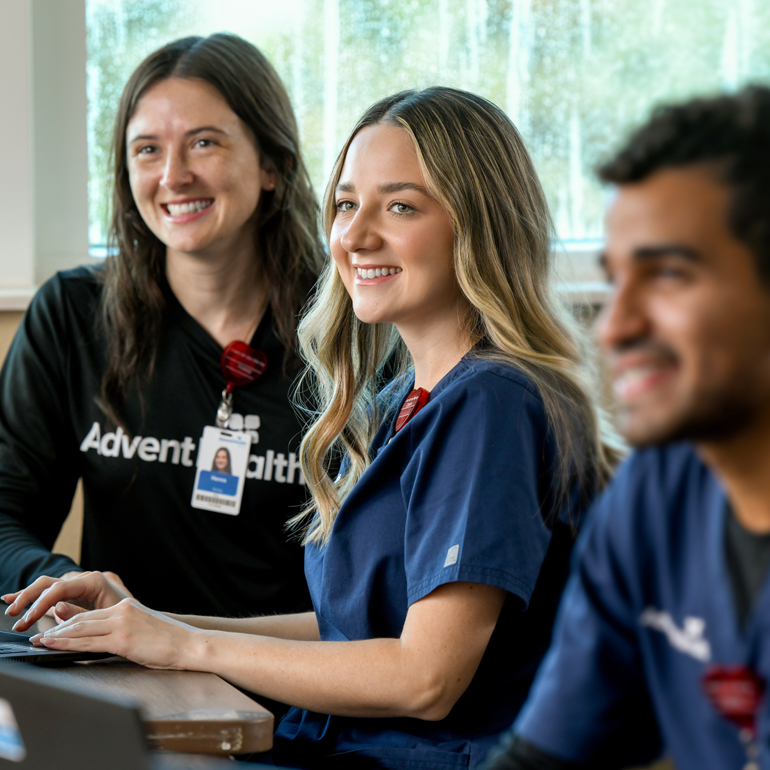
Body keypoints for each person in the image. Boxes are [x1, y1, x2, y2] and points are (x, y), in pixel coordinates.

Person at [4, 87, 619, 769]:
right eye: (348, 204)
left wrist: (179, 645)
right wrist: (146, 620)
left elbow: (426, 679)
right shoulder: (403, 399)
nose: (354, 236)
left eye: (401, 206)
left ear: (481, 223)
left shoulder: (493, 403)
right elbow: (347, 630)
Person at [481, 86, 770, 770]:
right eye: (615, 282)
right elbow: (546, 759)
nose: (614, 326)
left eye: (669, 275)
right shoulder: (656, 493)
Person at [0, 34, 325, 618]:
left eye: (204, 143)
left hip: (296, 694)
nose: (173, 176)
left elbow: (380, 586)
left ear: (272, 165)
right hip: (117, 678)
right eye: (147, 149)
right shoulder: (73, 314)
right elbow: (4, 510)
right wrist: (66, 586)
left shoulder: (352, 326)